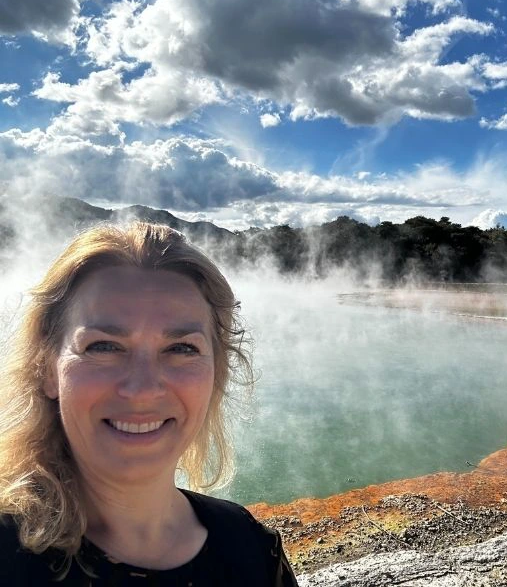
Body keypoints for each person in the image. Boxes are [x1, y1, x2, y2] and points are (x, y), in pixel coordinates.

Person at [0, 222, 298, 585]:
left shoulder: (251, 547)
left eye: (181, 348)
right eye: (103, 346)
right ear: (47, 369)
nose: (142, 389)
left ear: (215, 373)